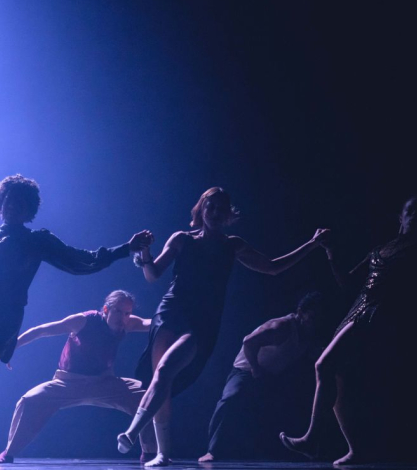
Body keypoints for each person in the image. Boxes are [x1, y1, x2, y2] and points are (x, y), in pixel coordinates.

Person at [0, 175, 151, 469]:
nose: (13, 206)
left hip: (3, 317)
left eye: (20, 203)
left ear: (29, 209)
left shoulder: (38, 241)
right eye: (9, 200)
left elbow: (83, 261)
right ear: (0, 203)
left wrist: (126, 248)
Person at [118, 187, 329, 468]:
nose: (216, 212)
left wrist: (312, 245)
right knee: (161, 380)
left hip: (201, 322)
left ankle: (132, 433)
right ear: (201, 210)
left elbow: (272, 267)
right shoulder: (182, 239)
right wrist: (145, 252)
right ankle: (162, 454)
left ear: (229, 214)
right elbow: (153, 274)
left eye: (221, 208)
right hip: (170, 312)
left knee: (167, 370)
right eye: (211, 207)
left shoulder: (233, 245)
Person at [281, 196, 417, 467]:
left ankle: (313, 439)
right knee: (336, 374)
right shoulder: (382, 250)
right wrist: (331, 251)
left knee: (325, 365)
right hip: (359, 314)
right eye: (411, 210)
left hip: (384, 318)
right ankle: (355, 449)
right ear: (400, 217)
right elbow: (349, 283)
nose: (416, 215)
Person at [0, 290, 156, 464]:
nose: (122, 318)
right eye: (118, 311)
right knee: (30, 401)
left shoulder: (127, 323)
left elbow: (153, 323)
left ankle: (150, 453)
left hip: (104, 383)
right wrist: (11, 348)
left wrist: (174, 317)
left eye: (127, 313)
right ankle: (9, 452)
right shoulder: (83, 320)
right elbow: (40, 331)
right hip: (69, 383)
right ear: (106, 309)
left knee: (147, 396)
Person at [198, 292, 324, 463]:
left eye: (318, 320)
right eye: (312, 318)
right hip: (246, 369)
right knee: (230, 399)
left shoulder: (310, 334)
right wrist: (255, 368)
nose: (314, 324)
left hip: (272, 375)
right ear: (301, 312)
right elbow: (248, 342)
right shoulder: (281, 327)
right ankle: (212, 451)